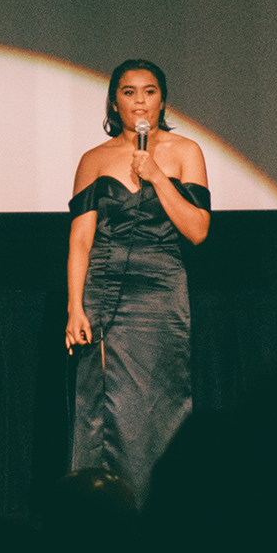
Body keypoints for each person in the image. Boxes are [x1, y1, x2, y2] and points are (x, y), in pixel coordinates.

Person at [65, 60, 211, 505]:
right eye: (129, 92)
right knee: (101, 408)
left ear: (162, 101)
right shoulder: (93, 159)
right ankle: (99, 514)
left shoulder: (186, 151)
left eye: (149, 91)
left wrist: (157, 177)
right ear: (115, 102)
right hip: (103, 290)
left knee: (156, 405)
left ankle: (159, 507)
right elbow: (80, 241)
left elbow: (198, 230)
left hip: (161, 291)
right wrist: (74, 307)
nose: (140, 101)